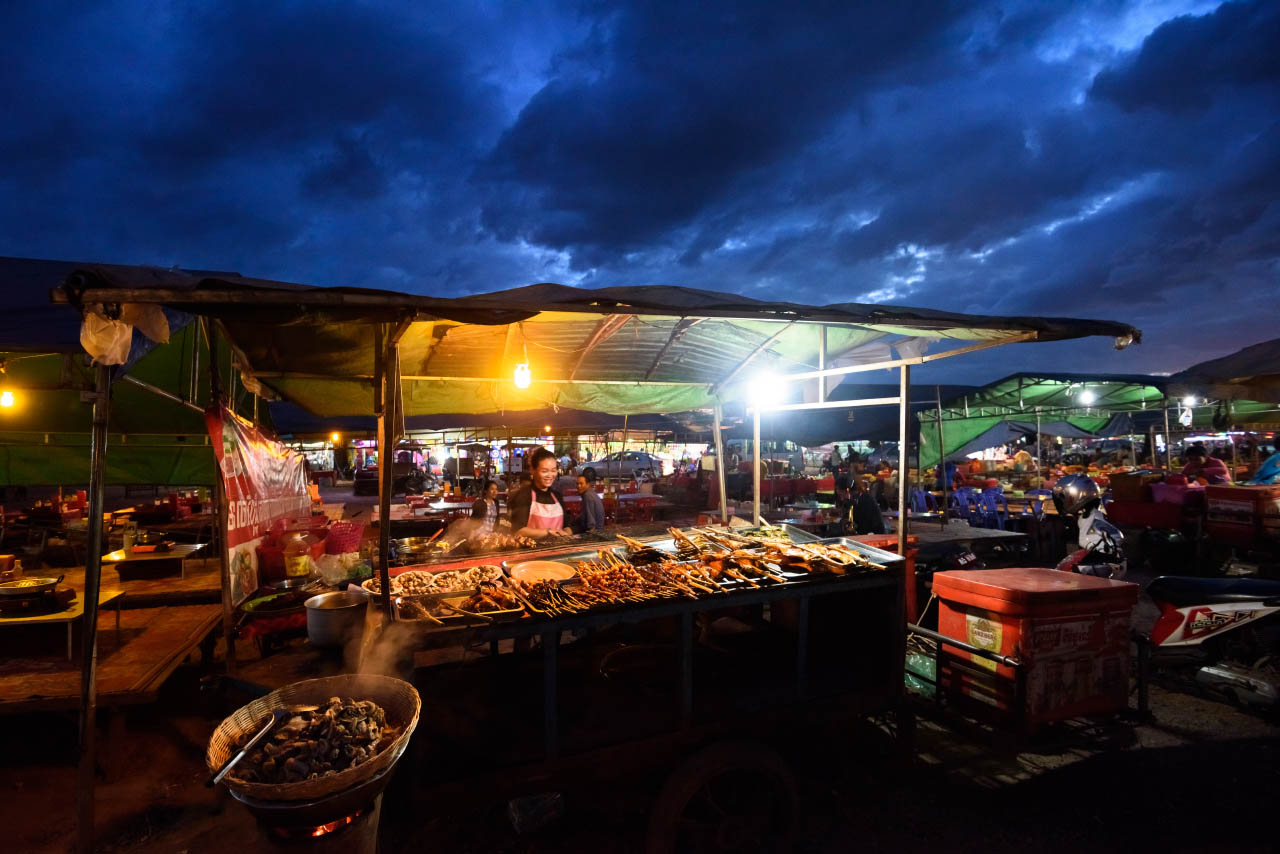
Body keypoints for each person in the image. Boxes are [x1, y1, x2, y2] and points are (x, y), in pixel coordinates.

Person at [507, 447, 571, 539]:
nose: (550, 475)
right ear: (532, 470)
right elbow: (518, 530)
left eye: (553, 470)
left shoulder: (557, 496)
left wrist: (567, 533)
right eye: (544, 471)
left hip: (559, 547)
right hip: (532, 547)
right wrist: (548, 532)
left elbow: (566, 525)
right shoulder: (524, 495)